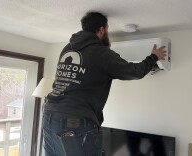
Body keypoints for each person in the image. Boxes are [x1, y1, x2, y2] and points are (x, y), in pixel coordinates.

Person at [42, 12, 166, 156]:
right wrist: (154, 56)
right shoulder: (101, 53)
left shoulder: (67, 48)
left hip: (49, 115)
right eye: (107, 28)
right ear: (102, 30)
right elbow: (135, 71)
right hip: (75, 121)